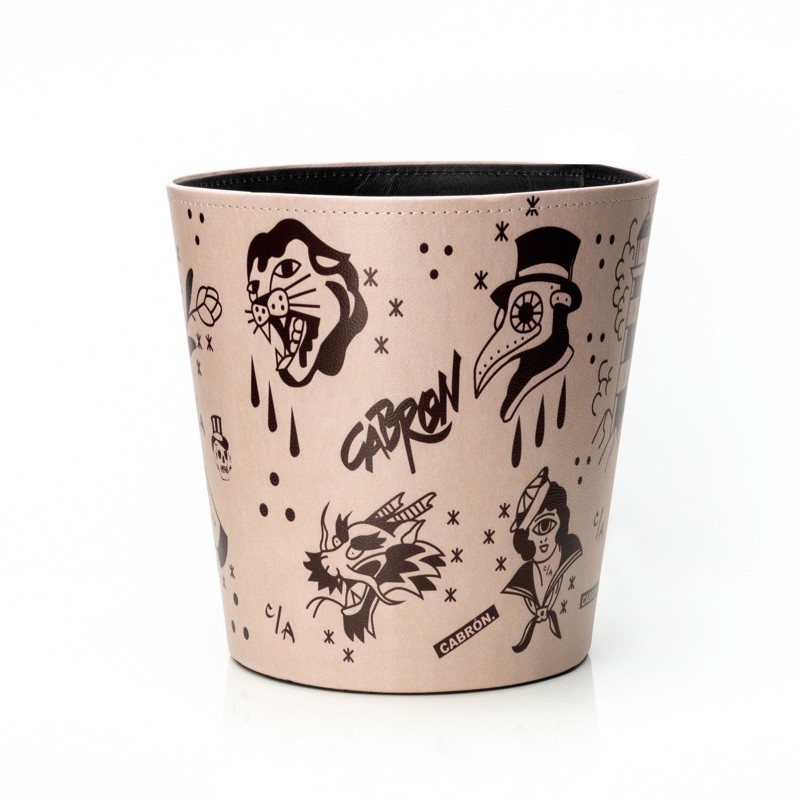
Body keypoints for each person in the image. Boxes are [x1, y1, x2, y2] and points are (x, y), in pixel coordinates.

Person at [502, 467, 582, 652]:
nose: (539, 539)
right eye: (529, 533)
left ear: (561, 522)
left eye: (545, 525)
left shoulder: (572, 552)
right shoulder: (520, 581)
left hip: (570, 647)